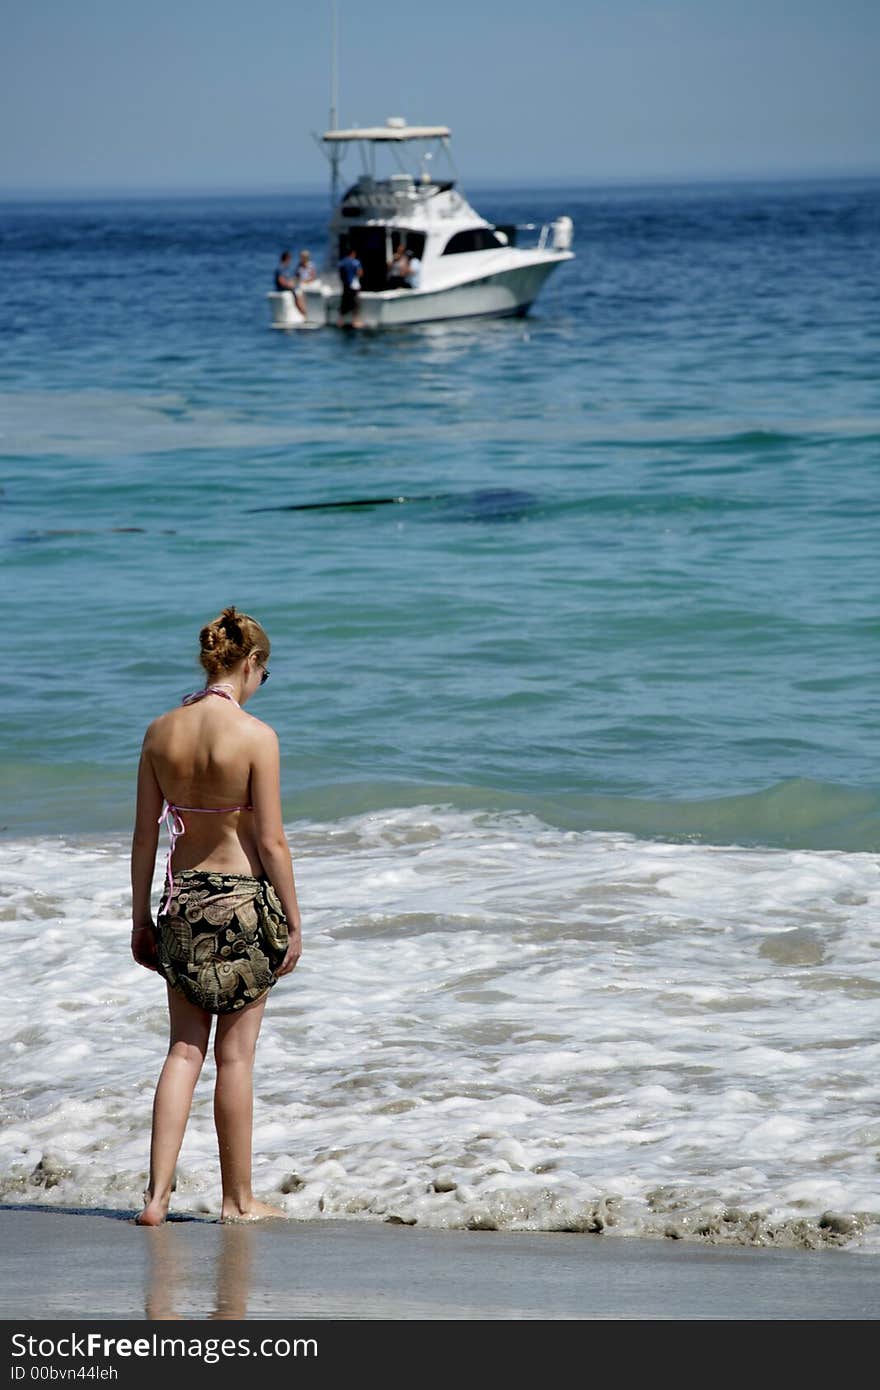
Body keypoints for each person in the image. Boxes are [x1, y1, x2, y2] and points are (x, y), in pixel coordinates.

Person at [130, 606, 302, 1225]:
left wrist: (139, 919)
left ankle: (154, 1199)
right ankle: (237, 1200)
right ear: (252, 663)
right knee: (235, 1059)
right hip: (240, 906)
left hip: (180, 904)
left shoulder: (159, 732)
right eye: (265, 672)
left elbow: (145, 840)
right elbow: (274, 842)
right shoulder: (257, 737)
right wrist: (295, 920)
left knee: (182, 1050)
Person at [274, 249, 307, 319]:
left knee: (299, 291)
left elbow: (289, 279)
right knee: (298, 293)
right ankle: (303, 312)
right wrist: (290, 285)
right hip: (282, 288)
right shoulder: (280, 268)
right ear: (286, 259)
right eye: (289, 259)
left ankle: (303, 312)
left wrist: (294, 282)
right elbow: (281, 281)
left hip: (287, 287)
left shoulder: (285, 268)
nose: (290, 261)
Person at [337, 246, 364, 328]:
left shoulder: (342, 262)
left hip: (345, 285)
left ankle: (340, 321)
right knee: (355, 302)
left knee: (344, 302)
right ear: (353, 253)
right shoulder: (355, 262)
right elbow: (360, 273)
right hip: (354, 285)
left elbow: (340, 274)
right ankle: (355, 321)